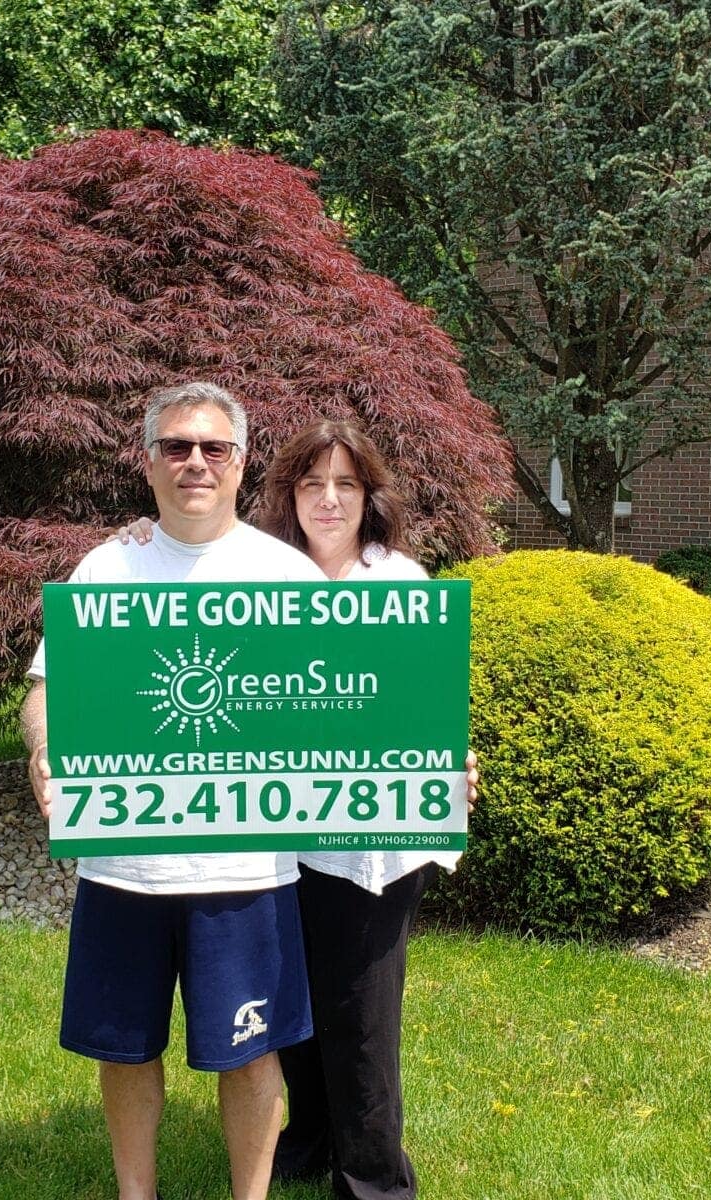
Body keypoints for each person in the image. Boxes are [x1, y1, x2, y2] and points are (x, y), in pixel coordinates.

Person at [118, 419, 472, 1200]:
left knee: (361, 1018)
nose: (328, 499)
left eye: (345, 484)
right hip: (283, 841)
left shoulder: (398, 584)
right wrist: (141, 535)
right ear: (290, 494)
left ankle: (374, 1179)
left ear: (369, 497)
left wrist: (449, 764)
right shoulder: (264, 573)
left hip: (371, 844)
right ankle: (308, 1143)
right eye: (313, 484)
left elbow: (419, 709)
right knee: (297, 1007)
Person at [20, 382, 324, 1200]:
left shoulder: (286, 575)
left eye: (214, 447)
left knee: (252, 1054)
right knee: (124, 1049)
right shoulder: (106, 567)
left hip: (247, 870)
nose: (196, 462)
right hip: (127, 866)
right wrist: (45, 746)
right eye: (177, 446)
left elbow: (351, 702)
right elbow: (46, 691)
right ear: (149, 462)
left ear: (241, 462)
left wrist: (429, 763)